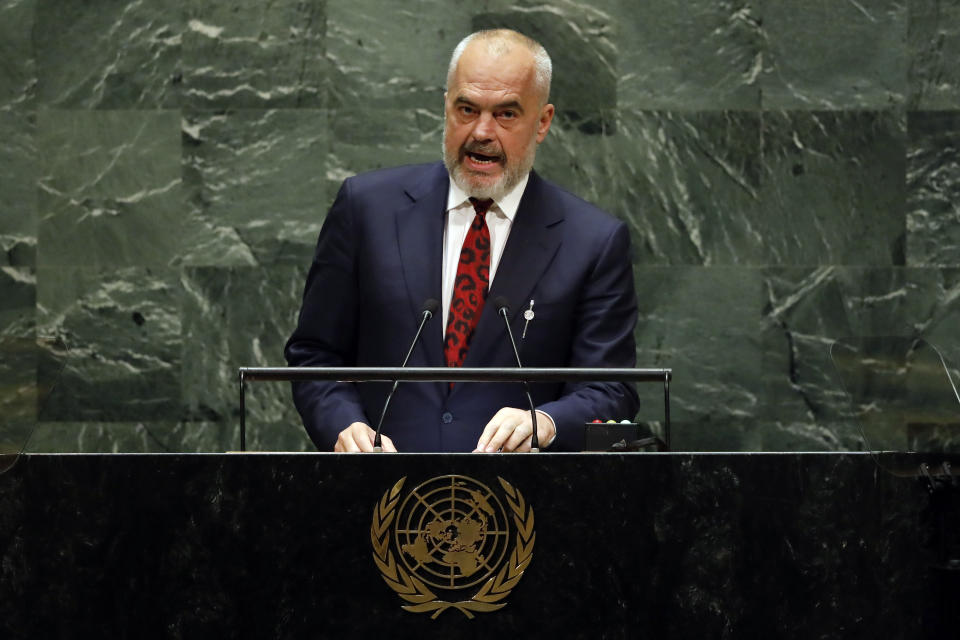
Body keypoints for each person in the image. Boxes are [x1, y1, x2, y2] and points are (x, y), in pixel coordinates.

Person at [285, 29, 639, 453]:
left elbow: (611, 389)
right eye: (467, 109)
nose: (482, 132)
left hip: (519, 503)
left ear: (542, 122)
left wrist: (546, 422)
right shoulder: (365, 210)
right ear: (446, 106)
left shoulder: (592, 241)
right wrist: (343, 425)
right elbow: (315, 355)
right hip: (378, 495)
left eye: (506, 114)